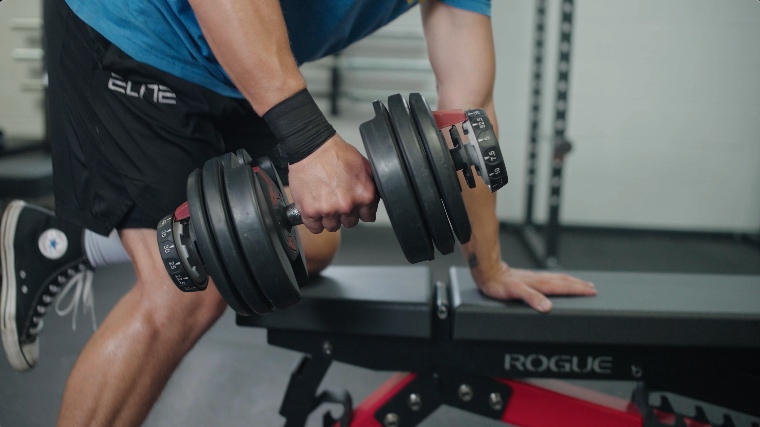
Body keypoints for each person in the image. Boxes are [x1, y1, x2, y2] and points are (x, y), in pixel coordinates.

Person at [0, 0, 597, 424]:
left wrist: (487, 266)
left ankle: (62, 241)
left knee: (300, 245)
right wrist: (308, 144)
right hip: (137, 28)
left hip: (233, 57)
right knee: (187, 289)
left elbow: (467, 120)